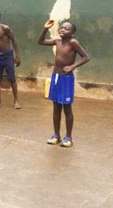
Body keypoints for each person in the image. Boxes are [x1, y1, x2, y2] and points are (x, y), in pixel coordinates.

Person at [38, 19, 89, 147]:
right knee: (56, 108)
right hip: (56, 77)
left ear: (72, 32)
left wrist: (72, 66)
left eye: (66, 28)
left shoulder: (73, 43)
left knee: (67, 107)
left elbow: (86, 57)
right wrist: (45, 28)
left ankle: (68, 137)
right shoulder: (57, 41)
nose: (62, 29)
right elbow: (40, 41)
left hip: (66, 78)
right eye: (61, 27)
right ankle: (56, 135)